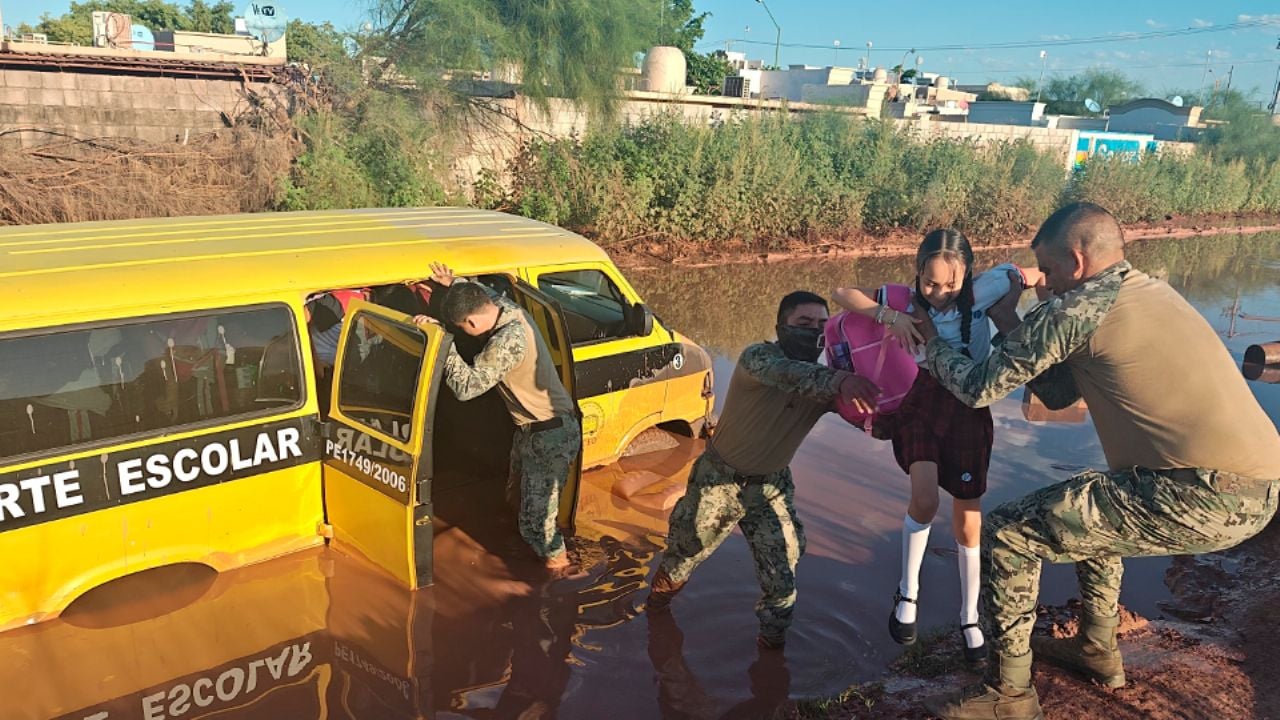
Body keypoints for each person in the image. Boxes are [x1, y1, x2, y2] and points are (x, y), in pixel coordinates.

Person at [917, 203, 1280, 720]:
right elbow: (1058, 392)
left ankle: (1010, 695)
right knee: (1093, 502)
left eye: (1049, 269)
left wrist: (931, 342)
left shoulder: (1077, 308)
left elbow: (977, 388)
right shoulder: (1148, 290)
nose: (1046, 283)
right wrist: (1005, 317)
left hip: (1201, 494)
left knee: (1008, 533)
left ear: (1077, 260)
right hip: (1255, 489)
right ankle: (1096, 647)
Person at [832, 229, 1040, 665]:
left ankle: (969, 616)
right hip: (923, 400)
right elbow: (841, 293)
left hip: (970, 405)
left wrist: (1025, 298)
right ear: (918, 272)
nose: (941, 294)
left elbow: (1039, 274)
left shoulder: (988, 286)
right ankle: (908, 593)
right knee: (924, 499)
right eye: (931, 283)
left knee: (969, 520)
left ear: (969, 274)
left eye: (951, 284)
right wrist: (890, 316)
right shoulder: (904, 300)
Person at [645, 291, 881, 649]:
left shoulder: (827, 382)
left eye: (822, 325)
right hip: (718, 481)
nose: (814, 332)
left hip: (772, 488)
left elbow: (871, 419)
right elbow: (786, 374)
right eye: (804, 323)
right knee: (683, 557)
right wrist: (841, 381)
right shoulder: (758, 358)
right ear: (781, 327)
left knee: (783, 575)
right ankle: (654, 613)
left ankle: (772, 652)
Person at [414, 263, 581, 572]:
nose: (464, 332)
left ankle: (561, 574)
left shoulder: (508, 340)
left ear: (472, 321)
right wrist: (455, 282)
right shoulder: (504, 308)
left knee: (538, 526)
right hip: (533, 430)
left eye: (463, 328)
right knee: (516, 500)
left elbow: (466, 387)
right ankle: (539, 558)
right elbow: (482, 294)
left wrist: (442, 341)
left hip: (550, 435)